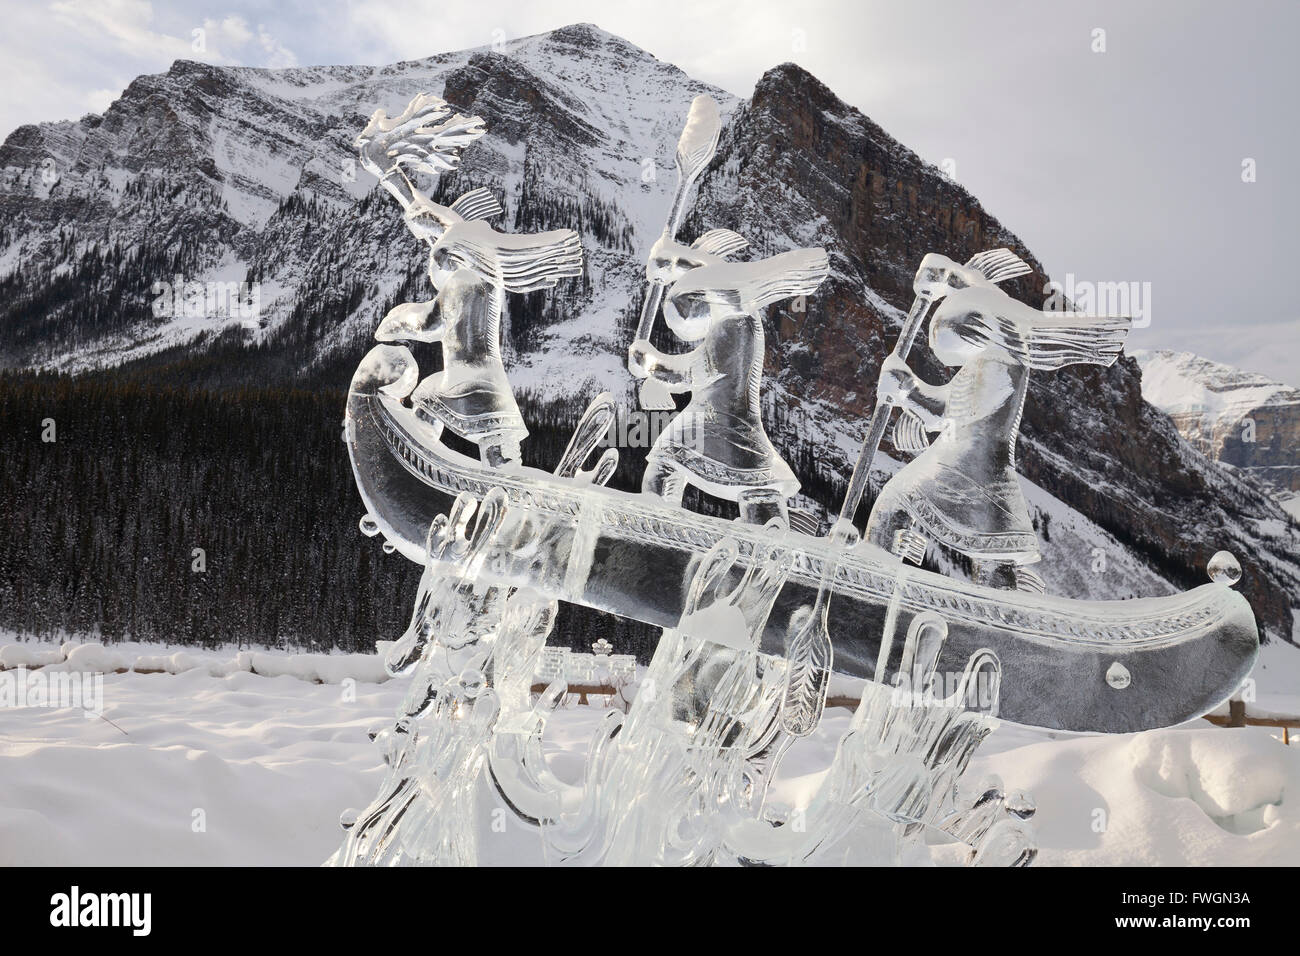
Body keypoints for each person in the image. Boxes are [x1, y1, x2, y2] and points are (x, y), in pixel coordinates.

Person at [864, 284, 1129, 588]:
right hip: (968, 466)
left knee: (892, 502)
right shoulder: (989, 362)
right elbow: (946, 409)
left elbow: (946, 414)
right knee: (989, 549)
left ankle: (877, 569)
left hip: (961, 469)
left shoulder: (998, 365)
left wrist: (907, 389)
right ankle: (998, 597)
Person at [629, 243, 829, 525]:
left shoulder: (734, 325)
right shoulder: (740, 316)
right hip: (717, 417)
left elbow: (692, 372)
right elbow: (715, 275)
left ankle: (657, 517)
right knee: (751, 485)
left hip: (717, 422)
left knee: (665, 462)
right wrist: (673, 262)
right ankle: (769, 525)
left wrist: (651, 363)